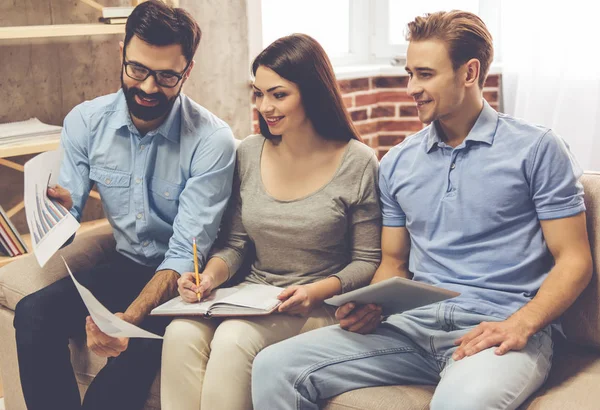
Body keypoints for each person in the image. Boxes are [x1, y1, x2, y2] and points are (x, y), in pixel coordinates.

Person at [252, 10, 593, 410]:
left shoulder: (537, 150)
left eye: (425, 74)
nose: (411, 87)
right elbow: (393, 263)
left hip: (497, 328)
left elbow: (574, 260)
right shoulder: (398, 162)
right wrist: (373, 306)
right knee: (274, 366)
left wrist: (524, 323)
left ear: (469, 73)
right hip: (410, 330)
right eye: (409, 73)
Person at [13, 2, 236, 410]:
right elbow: (69, 219)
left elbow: (186, 253)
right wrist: (59, 213)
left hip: (182, 286)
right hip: (126, 265)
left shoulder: (212, 141)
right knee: (32, 313)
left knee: (114, 389)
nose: (149, 87)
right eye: (138, 69)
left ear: (187, 71)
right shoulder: (85, 121)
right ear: (122, 53)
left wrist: (125, 321)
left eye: (167, 75)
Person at [159, 33, 382, 410]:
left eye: (278, 94)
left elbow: (367, 261)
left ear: (311, 92)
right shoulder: (249, 152)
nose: (265, 106)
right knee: (179, 332)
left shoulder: (358, 162)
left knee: (233, 340)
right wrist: (208, 277)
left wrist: (317, 292)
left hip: (316, 307)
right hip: (252, 296)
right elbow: (235, 244)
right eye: (258, 93)